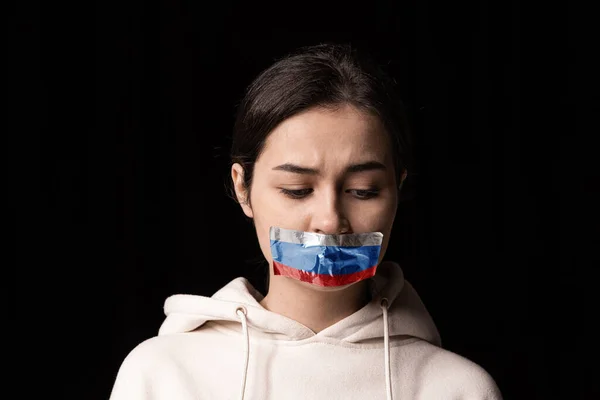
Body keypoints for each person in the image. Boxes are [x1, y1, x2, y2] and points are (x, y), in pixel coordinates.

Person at [109, 43, 502, 400]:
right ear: (242, 188)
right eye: (297, 190)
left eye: (363, 190)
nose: (330, 221)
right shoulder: (161, 374)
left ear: (397, 189)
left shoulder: (458, 388)